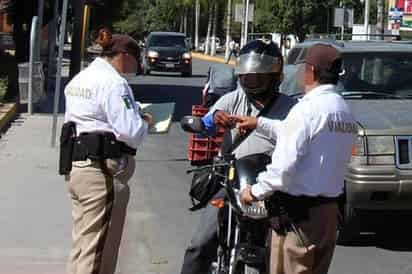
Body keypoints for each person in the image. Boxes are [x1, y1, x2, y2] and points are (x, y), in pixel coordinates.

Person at [237, 43, 357, 274]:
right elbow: (305, 135)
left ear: (310, 71)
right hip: (328, 216)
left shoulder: (305, 110)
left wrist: (253, 192)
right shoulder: (344, 110)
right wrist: (259, 123)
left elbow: (282, 171)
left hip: (298, 220)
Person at [180, 39, 297, 274]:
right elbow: (204, 124)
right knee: (200, 243)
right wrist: (214, 119)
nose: (250, 81)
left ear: (274, 76)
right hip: (232, 179)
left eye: (257, 77)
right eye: (246, 76)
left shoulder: (292, 107)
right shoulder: (233, 99)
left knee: (294, 244)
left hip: (273, 184)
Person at [63, 29, 152, 274]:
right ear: (123, 56)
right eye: (136, 59)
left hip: (78, 167)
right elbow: (130, 131)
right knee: (98, 254)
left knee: (83, 246)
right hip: (102, 171)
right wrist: (144, 121)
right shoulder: (114, 82)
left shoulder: (81, 79)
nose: (138, 66)